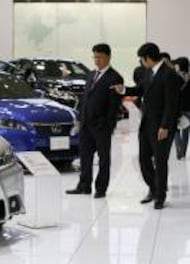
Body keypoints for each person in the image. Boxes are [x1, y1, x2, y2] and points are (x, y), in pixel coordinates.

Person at [112, 43, 180, 209]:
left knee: (160, 161)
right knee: (143, 160)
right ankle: (153, 188)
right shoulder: (148, 72)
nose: (141, 63)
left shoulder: (168, 74)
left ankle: (160, 196)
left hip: (162, 127)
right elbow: (139, 90)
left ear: (147, 58)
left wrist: (165, 126)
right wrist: (123, 90)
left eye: (142, 59)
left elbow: (172, 104)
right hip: (147, 124)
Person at [66, 43, 123, 198]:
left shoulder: (115, 77)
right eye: (95, 57)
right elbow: (85, 98)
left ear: (108, 57)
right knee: (85, 157)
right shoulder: (91, 75)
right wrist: (80, 118)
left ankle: (101, 188)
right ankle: (84, 185)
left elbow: (114, 105)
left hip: (101, 126)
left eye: (100, 57)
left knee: (103, 159)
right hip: (86, 124)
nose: (97, 60)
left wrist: (108, 124)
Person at [173, 57, 190, 159]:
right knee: (186, 130)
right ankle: (182, 152)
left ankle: (179, 151)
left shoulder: (175, 78)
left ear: (179, 66)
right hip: (188, 108)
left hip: (177, 107)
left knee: (176, 129)